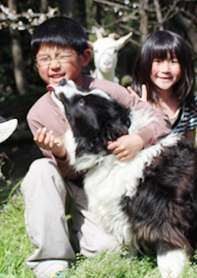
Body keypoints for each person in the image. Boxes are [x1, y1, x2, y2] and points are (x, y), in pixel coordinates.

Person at [21, 17, 172, 278]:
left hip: (109, 189)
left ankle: (75, 233)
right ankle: (51, 262)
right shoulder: (38, 114)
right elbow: (69, 175)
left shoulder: (108, 90)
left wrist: (140, 139)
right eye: (44, 59)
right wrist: (60, 154)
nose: (53, 65)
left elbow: (160, 119)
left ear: (84, 57)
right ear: (36, 64)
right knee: (40, 169)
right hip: (77, 185)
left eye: (62, 56)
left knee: (108, 251)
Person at [128, 30, 197, 143]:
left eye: (173, 62)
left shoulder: (189, 103)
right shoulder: (132, 101)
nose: (166, 70)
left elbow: (191, 147)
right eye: (158, 61)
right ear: (144, 63)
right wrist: (139, 114)